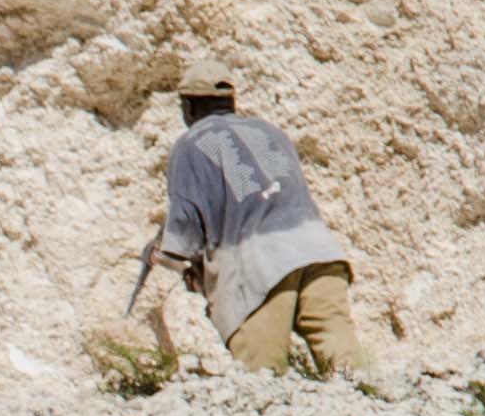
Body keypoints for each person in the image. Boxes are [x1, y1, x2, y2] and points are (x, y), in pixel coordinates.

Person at [150, 48, 361, 379]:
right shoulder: (272, 133)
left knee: (262, 381)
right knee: (350, 368)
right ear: (232, 101)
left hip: (260, 269)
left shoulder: (191, 144)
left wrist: (164, 260)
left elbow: (184, 229)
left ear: (188, 106)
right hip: (319, 253)